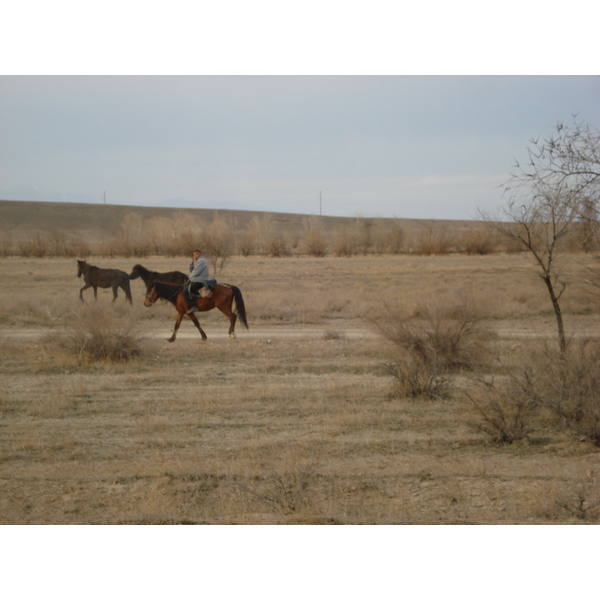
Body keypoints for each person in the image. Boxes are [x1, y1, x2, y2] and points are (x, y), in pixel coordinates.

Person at [185, 249, 211, 314]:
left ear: (200, 254)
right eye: (194, 254)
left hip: (200, 280)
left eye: (196, 254)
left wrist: (189, 277)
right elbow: (192, 270)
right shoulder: (198, 261)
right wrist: (190, 264)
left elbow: (196, 272)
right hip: (197, 279)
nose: (195, 255)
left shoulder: (201, 261)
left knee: (186, 290)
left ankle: (194, 306)